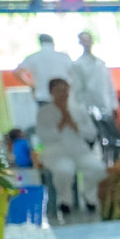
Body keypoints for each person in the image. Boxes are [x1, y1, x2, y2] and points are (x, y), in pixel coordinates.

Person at [33, 76, 103, 219]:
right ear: (51, 92)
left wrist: (76, 126)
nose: (62, 94)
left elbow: (92, 134)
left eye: (65, 90)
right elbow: (43, 137)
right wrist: (61, 124)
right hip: (56, 153)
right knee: (64, 170)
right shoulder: (44, 112)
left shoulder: (79, 109)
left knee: (97, 167)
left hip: (80, 150)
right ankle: (66, 200)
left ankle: (90, 198)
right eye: (58, 90)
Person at [70, 29, 116, 118]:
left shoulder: (101, 63)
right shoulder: (78, 65)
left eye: (87, 40)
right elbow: (78, 89)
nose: (86, 43)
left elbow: (109, 85)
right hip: (89, 108)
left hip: (106, 106)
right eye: (83, 41)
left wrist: (113, 104)